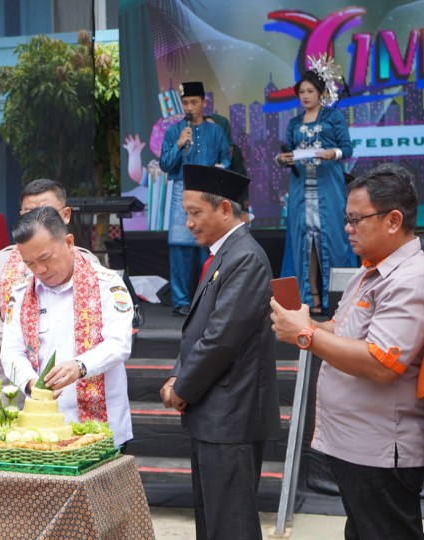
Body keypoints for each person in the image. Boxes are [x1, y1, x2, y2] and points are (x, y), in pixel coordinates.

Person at [271, 163, 424, 540]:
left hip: (381, 451)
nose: (347, 229)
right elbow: (343, 331)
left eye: (356, 220)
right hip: (354, 446)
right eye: (347, 219)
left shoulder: (410, 279)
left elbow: (380, 363)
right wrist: (305, 324)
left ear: (393, 220)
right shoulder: (368, 271)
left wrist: (306, 335)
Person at [160, 164, 279, 539]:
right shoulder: (222, 255)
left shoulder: (244, 257)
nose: (189, 223)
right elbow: (197, 330)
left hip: (232, 414)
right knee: (213, 522)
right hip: (214, 413)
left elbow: (220, 339)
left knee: (232, 524)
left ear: (225, 209)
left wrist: (181, 387)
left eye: (196, 213)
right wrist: (180, 374)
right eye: (186, 214)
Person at [0, 206, 133, 447]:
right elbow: (11, 352)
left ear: (69, 242)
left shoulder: (107, 284)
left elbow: (119, 344)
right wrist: (31, 383)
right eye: (29, 264)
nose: (39, 270)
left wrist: (80, 366)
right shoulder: (20, 292)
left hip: (102, 427)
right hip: (43, 429)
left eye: (45, 258)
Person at [0, 179, 100, 403]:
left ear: (66, 215)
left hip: (71, 382)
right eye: (29, 213)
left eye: (46, 212)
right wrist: (22, 341)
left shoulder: (87, 263)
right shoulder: (1, 262)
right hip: (13, 385)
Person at [275, 55, 355, 315]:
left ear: (320, 92)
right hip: (301, 193)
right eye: (301, 92)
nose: (305, 96)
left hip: (329, 190)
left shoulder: (333, 118)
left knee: (334, 242)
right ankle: (312, 299)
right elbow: (289, 153)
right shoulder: (295, 123)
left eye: (310, 91)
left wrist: (332, 154)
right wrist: (282, 159)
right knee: (304, 245)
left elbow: (347, 149)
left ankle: (341, 299)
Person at [157, 81, 230, 317]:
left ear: (203, 103)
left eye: (194, 102)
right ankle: (181, 301)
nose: (189, 107)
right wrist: (179, 144)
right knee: (179, 247)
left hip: (207, 192)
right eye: (186, 103)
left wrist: (220, 168)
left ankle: (206, 299)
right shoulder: (173, 131)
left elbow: (226, 159)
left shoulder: (215, 131)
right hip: (181, 190)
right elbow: (166, 165)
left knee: (207, 247)